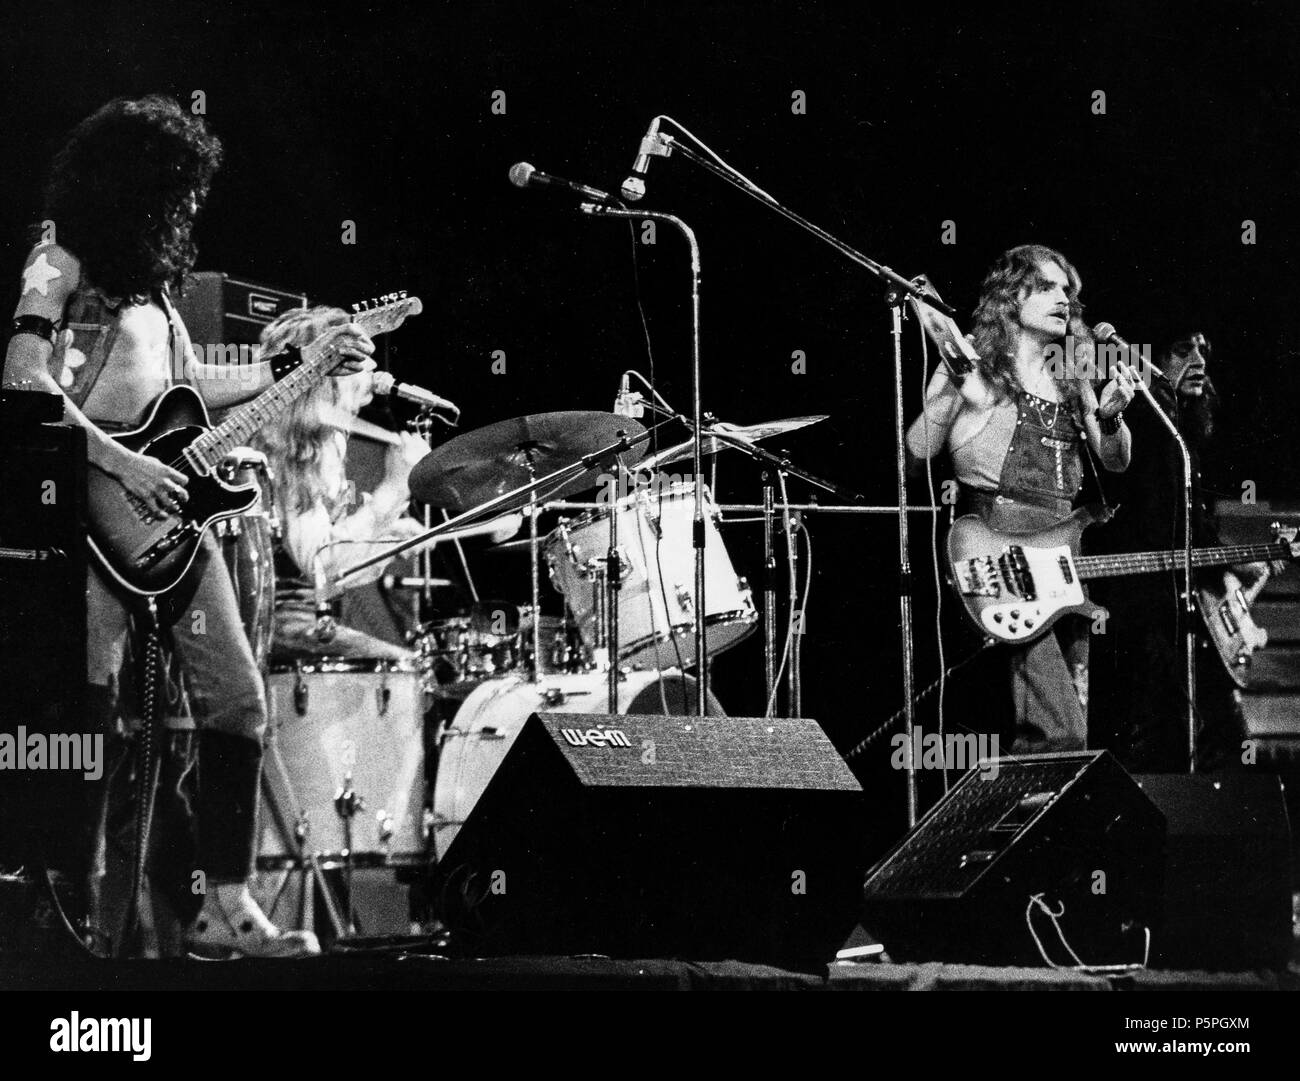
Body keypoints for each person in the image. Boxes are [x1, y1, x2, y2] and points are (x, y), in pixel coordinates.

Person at [3, 96, 374, 957]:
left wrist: (296, 365)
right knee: (86, 718)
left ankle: (227, 906)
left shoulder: (154, 286)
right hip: (86, 514)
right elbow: (22, 376)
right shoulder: (58, 259)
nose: (187, 210)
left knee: (238, 700)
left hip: (166, 517)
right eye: (177, 192)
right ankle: (68, 916)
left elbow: (188, 382)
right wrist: (124, 463)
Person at [906, 245, 1136, 752]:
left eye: (1067, 292)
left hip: (1065, 561)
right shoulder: (976, 365)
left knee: (1066, 732)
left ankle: (1039, 825)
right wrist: (953, 391)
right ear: (1012, 295)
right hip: (1001, 555)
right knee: (1060, 733)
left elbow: (1116, 460)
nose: (1064, 299)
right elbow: (918, 448)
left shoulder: (1072, 379)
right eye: (1048, 287)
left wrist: (1114, 416)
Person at [1088, 331, 1281, 770]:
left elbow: (1195, 522)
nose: (1198, 361)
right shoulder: (1142, 419)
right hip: (1144, 606)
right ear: (1149, 356)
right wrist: (1234, 559)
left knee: (1217, 736)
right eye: (1182, 350)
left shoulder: (1184, 429)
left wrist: (1234, 563)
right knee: (1157, 736)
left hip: (1189, 601)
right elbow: (1158, 520)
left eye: (1204, 351)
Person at [248, 306, 427, 663]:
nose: (376, 368)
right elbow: (318, 564)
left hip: (297, 615)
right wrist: (393, 490)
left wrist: (386, 536)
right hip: (273, 622)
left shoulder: (317, 435)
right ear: (328, 374)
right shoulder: (302, 444)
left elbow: (331, 568)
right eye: (362, 359)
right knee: (406, 667)